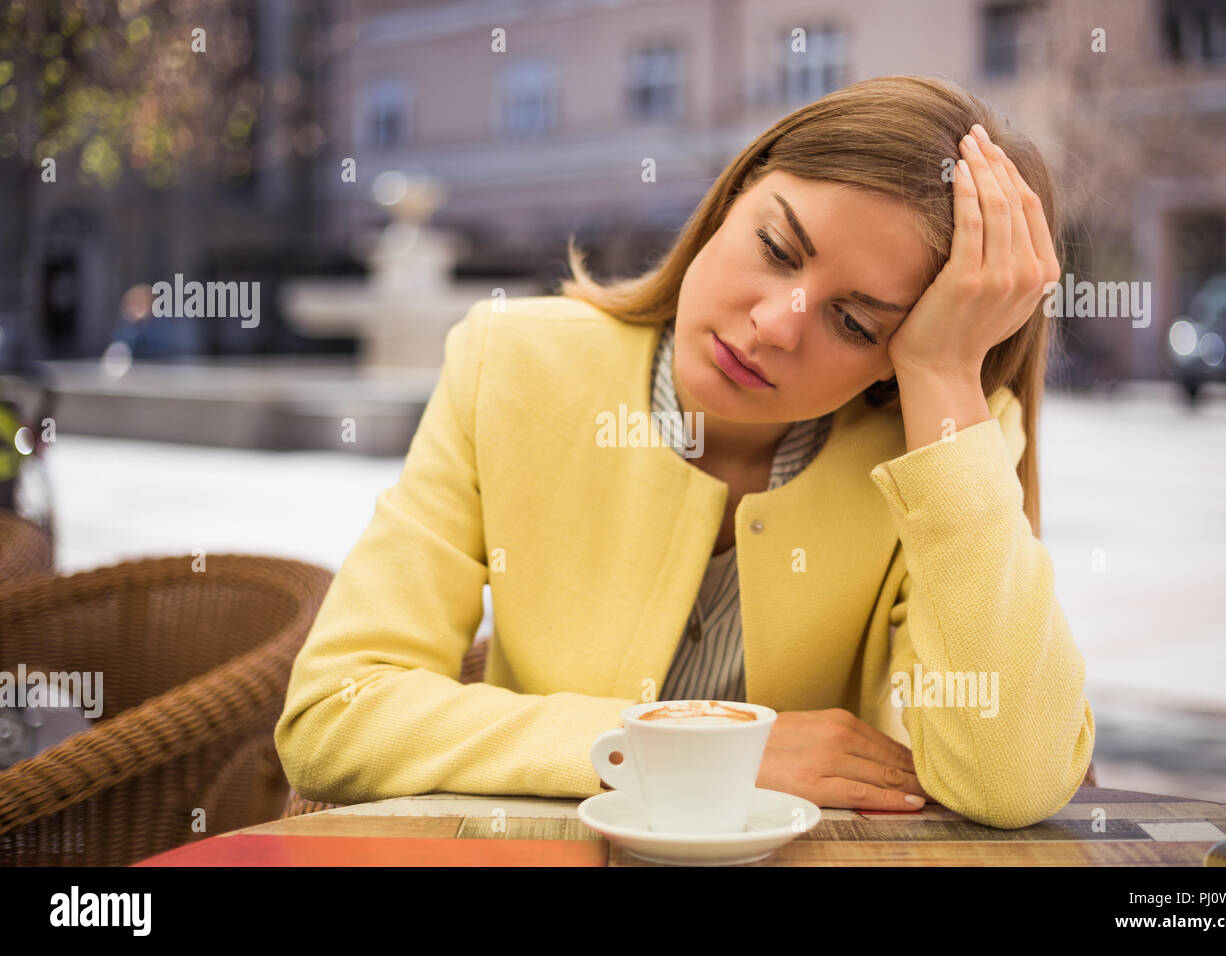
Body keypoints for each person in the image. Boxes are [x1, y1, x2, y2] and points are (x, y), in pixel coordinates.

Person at [275, 75, 1095, 830]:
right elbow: (334, 718)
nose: (775, 323)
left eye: (856, 323)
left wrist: (946, 381)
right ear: (731, 196)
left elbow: (1011, 781)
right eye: (777, 248)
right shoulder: (513, 363)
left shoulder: (943, 439)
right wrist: (688, 748)